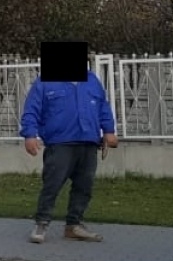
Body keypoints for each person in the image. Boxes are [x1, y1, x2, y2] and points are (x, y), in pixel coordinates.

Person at [20, 58, 118, 244]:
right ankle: (42, 223)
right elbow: (32, 109)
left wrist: (109, 131)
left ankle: (74, 225)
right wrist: (29, 135)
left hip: (88, 142)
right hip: (60, 143)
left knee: (84, 186)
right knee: (52, 184)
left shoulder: (92, 80)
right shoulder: (45, 82)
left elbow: (103, 107)